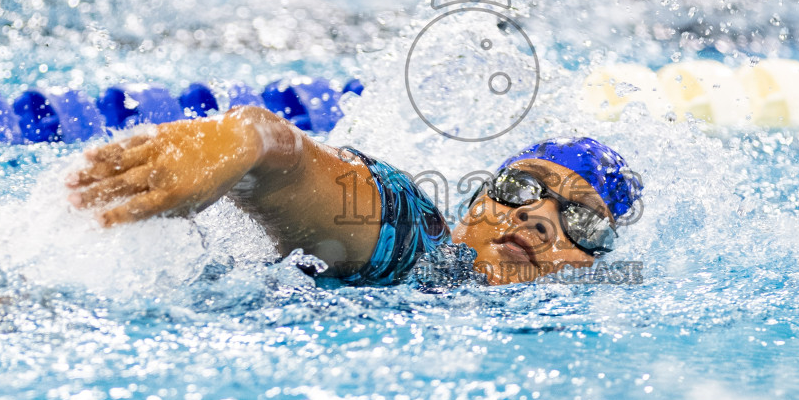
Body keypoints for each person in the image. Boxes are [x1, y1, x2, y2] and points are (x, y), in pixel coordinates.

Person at [62, 104, 641, 287]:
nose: (539, 217)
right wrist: (244, 141)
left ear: (595, 262)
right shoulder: (420, 246)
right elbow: (287, 161)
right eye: (522, 187)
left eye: (582, 225)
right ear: (477, 201)